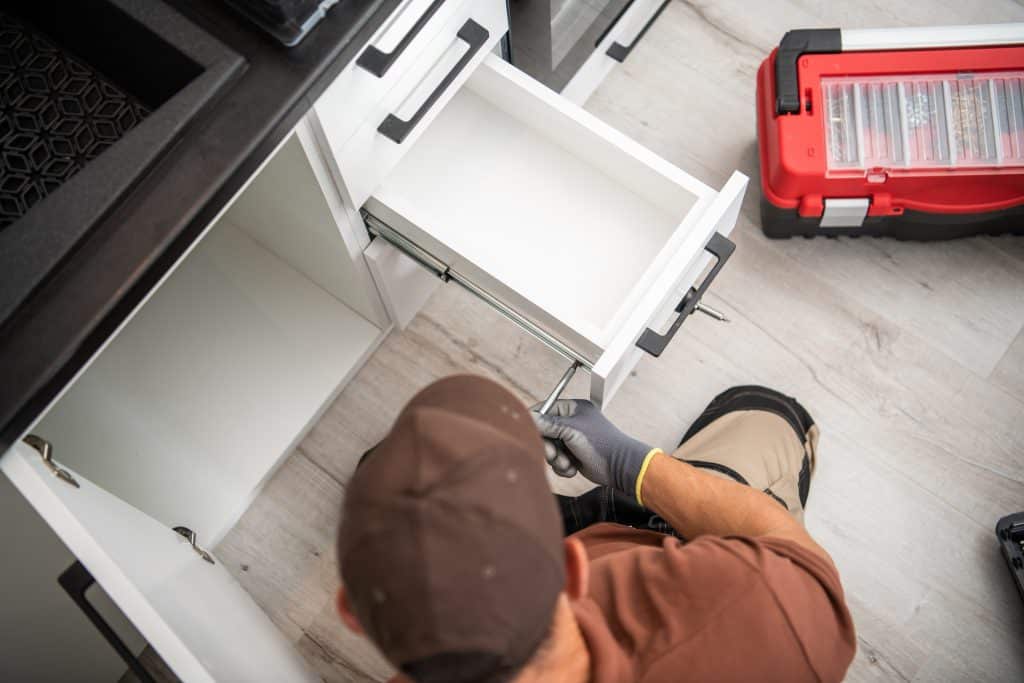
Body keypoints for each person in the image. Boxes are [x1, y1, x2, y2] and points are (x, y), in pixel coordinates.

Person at [335, 375, 856, 682]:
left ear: (351, 612)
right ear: (571, 568)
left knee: (392, 479)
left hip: (585, 548)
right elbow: (798, 557)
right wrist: (635, 466)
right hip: (682, 542)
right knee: (765, 408)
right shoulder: (767, 618)